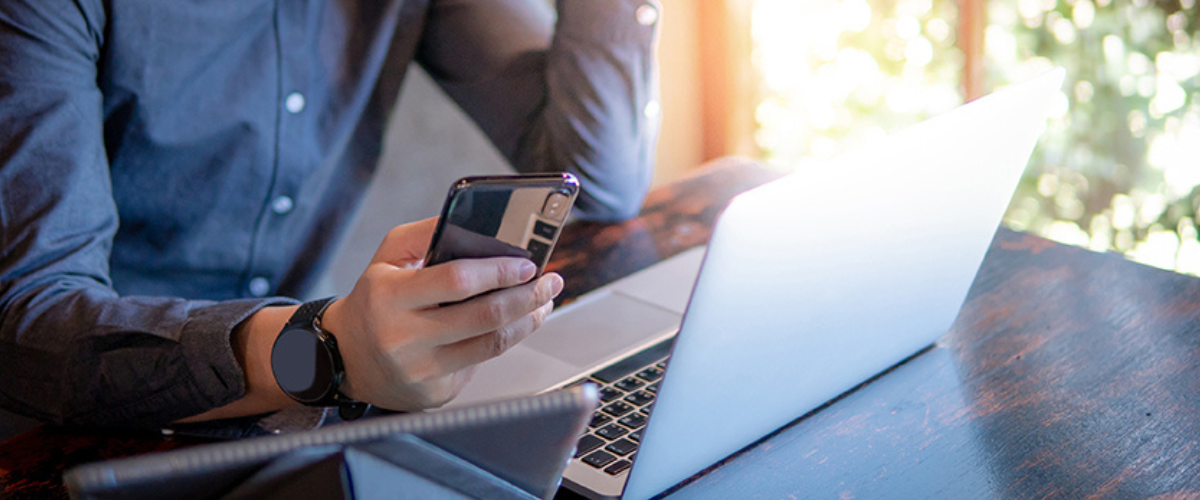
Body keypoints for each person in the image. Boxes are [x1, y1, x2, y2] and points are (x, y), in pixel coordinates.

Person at [0, 0, 660, 429]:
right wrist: (324, 350)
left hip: (294, 412)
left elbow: (596, 178)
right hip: (71, 428)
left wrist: (331, 356)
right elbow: (25, 320)